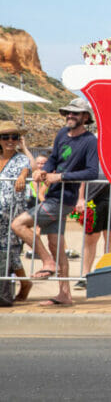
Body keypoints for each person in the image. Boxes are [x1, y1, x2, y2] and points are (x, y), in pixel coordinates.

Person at [11, 97, 99, 306]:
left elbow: (92, 172)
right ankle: (64, 294)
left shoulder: (90, 141)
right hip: (53, 195)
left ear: (85, 117)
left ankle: (46, 261)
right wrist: (44, 170)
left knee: (18, 224)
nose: (69, 115)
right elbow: (53, 158)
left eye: (74, 113)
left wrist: (59, 177)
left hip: (63, 199)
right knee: (56, 245)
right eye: (68, 112)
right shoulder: (61, 134)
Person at [0, 121, 32, 301]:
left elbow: (28, 168)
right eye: (5, 137)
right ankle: (23, 283)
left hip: (12, 213)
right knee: (6, 251)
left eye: (14, 137)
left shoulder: (21, 158)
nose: (10, 140)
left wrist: (22, 175)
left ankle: (24, 283)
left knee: (10, 249)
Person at [76, 177, 111, 286]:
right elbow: (84, 175)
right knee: (90, 238)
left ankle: (109, 274)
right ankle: (85, 275)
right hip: (93, 198)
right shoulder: (92, 158)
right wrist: (80, 198)